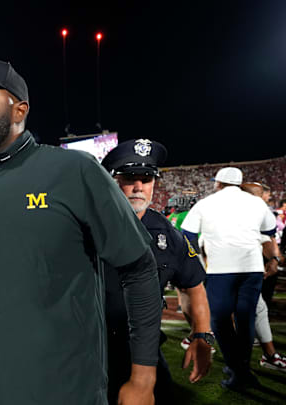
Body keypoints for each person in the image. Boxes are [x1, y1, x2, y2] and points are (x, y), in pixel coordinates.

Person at [0, 58, 161, 405]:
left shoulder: (74, 170)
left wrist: (143, 378)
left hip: (76, 393)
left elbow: (139, 269)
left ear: (19, 110)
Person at [101, 139, 212, 404]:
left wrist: (202, 335)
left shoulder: (168, 235)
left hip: (143, 350)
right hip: (87, 350)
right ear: (111, 180)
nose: (138, 187)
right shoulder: (84, 224)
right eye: (129, 177)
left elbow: (193, 286)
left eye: (147, 178)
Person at [181, 167, 277, 391]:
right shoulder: (256, 202)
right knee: (245, 320)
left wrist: (196, 260)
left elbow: (188, 234)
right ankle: (240, 367)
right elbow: (270, 228)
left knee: (220, 320)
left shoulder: (206, 203)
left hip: (220, 269)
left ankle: (238, 370)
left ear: (218, 183)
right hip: (251, 267)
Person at [240, 182, 286, 374]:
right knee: (235, 311)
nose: (265, 198)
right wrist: (274, 259)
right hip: (235, 268)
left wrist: (274, 259)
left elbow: (267, 239)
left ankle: (266, 355)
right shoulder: (255, 211)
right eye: (261, 194)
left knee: (257, 307)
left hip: (241, 266)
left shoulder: (236, 210)